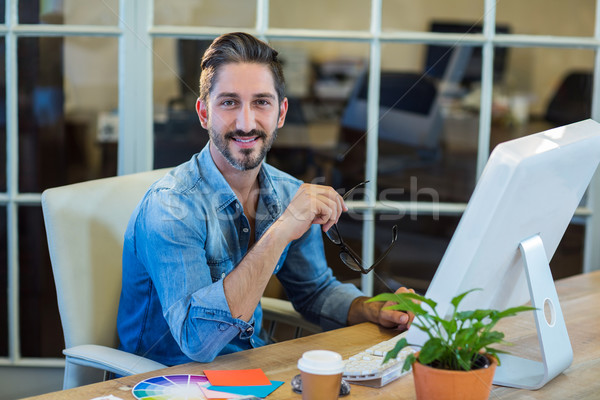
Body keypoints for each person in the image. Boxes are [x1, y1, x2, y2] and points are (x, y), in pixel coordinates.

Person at [117, 32, 413, 366]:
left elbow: (314, 291)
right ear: (203, 113)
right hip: (170, 382)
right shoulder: (170, 207)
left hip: (251, 371)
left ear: (281, 113)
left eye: (261, 102)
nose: (246, 123)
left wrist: (372, 309)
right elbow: (197, 342)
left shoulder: (287, 193)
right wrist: (283, 227)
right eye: (229, 102)